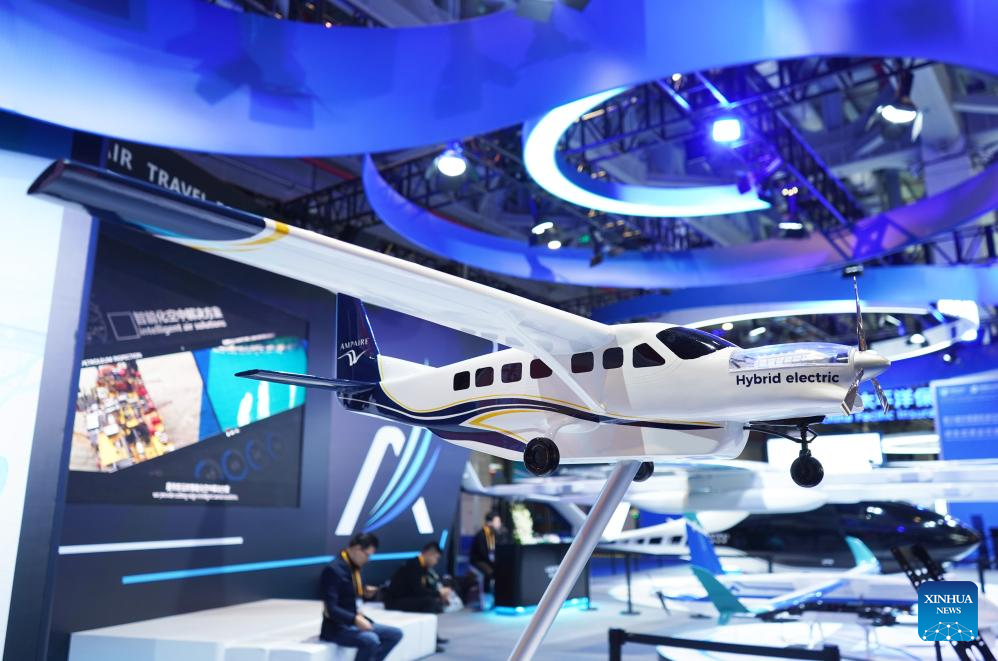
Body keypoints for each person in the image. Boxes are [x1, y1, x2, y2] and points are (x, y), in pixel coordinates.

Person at [320, 533, 402, 661]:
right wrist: (355, 620)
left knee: (395, 634)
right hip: (337, 628)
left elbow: (352, 598)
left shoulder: (355, 568)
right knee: (371, 640)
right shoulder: (334, 570)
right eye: (367, 555)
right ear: (358, 548)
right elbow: (331, 608)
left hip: (354, 622)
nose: (368, 559)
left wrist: (367, 595)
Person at [385, 542, 452, 652]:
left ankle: (432, 636)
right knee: (429, 602)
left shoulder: (422, 566)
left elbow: (423, 589)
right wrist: (438, 593)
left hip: (405, 598)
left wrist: (439, 595)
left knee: (432, 601)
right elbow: (418, 590)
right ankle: (429, 641)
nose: (436, 562)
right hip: (394, 601)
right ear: (429, 554)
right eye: (436, 558)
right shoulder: (413, 565)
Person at [469, 510, 502, 593]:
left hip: (488, 560)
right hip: (479, 561)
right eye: (497, 521)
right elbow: (483, 553)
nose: (499, 524)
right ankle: (487, 593)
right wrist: (493, 562)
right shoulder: (482, 534)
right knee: (491, 572)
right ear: (490, 522)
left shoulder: (493, 534)